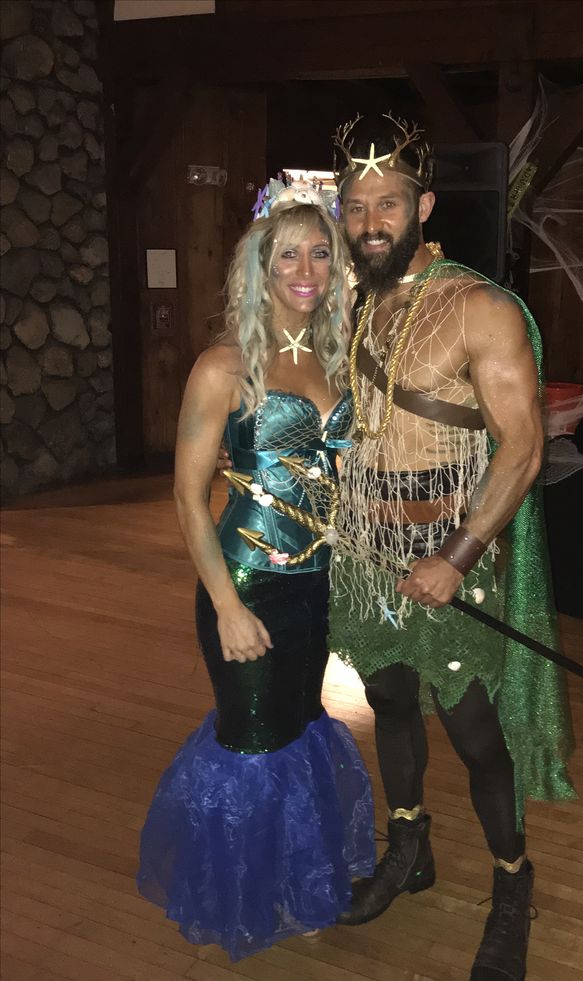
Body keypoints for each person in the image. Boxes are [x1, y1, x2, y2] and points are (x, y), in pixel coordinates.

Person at [327, 114, 576, 981]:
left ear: (424, 205)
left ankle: (513, 882)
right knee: (389, 701)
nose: (369, 223)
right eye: (355, 205)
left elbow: (524, 448)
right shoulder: (353, 303)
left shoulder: (481, 306)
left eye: (387, 203)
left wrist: (458, 555)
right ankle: (410, 848)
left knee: (472, 730)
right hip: (364, 548)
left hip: (450, 545)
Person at [137, 186, 375, 961]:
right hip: (245, 580)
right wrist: (226, 604)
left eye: (318, 252)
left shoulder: (338, 359)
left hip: (317, 583)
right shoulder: (223, 365)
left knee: (300, 726)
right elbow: (186, 495)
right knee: (248, 739)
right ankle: (241, 892)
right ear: (261, 270)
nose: (304, 269)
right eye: (287, 255)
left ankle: (292, 878)